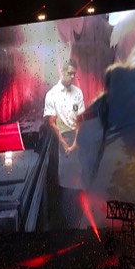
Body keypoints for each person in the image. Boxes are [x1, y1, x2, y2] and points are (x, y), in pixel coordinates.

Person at [43, 58, 85, 227]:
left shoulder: (78, 93)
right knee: (65, 184)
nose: (72, 77)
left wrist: (76, 142)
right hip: (60, 140)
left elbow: (80, 120)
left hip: (76, 139)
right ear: (62, 72)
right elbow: (51, 122)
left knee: (79, 182)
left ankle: (79, 220)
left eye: (74, 74)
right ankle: (67, 223)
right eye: (69, 73)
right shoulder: (52, 94)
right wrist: (63, 142)